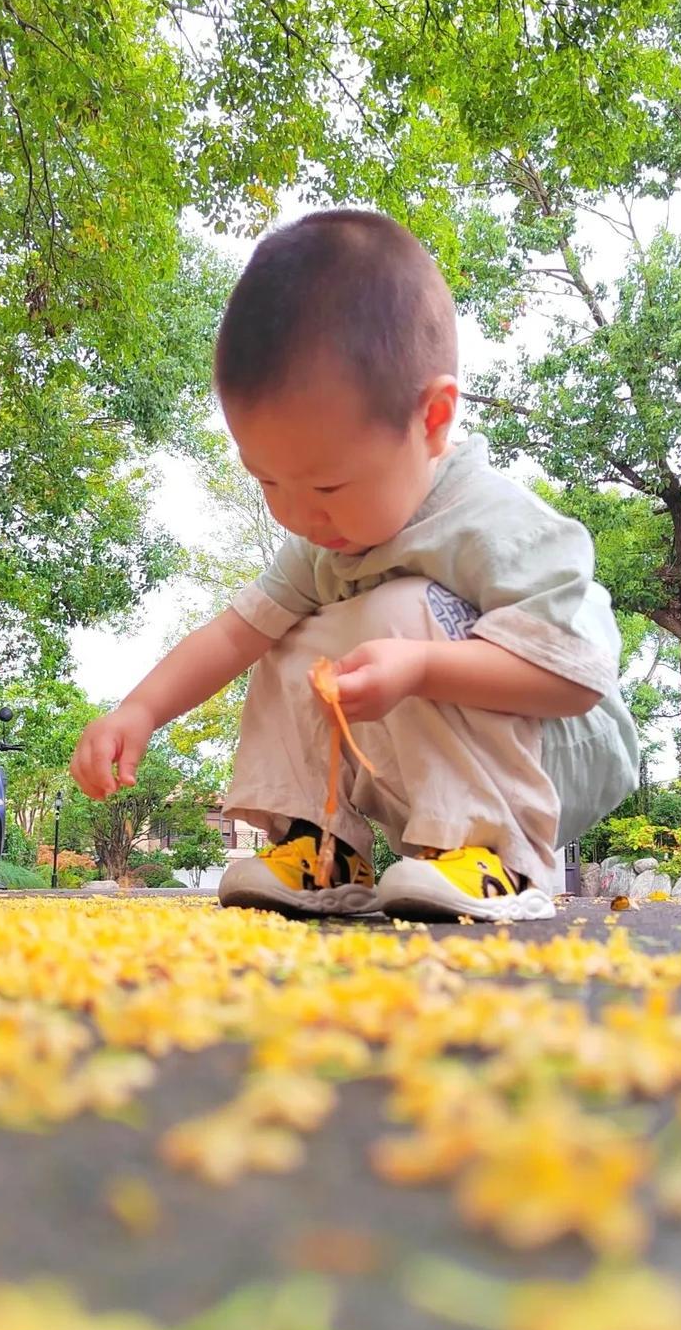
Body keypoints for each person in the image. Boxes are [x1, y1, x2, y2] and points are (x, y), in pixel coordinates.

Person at [69, 209, 639, 922]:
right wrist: (139, 710)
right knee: (292, 635)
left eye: (328, 487)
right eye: (268, 482)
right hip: (423, 754)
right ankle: (322, 843)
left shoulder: (499, 526)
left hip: (560, 745)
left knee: (398, 614)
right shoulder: (322, 543)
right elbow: (233, 634)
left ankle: (503, 857)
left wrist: (421, 668)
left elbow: (572, 684)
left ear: (431, 422)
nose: (298, 517)